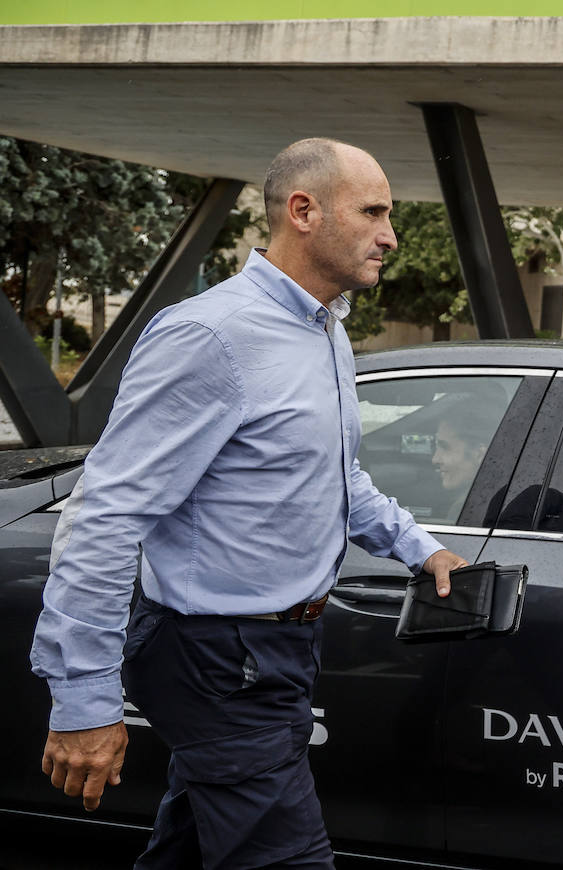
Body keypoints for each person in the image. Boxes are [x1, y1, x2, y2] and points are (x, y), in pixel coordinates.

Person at [30, 138, 468, 869]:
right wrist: (83, 700)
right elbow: (102, 516)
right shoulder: (211, 334)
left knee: (192, 848)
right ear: (304, 211)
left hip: (281, 651)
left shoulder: (325, 328)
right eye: (374, 212)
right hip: (219, 660)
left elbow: (333, 474)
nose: (391, 235)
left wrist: (419, 547)